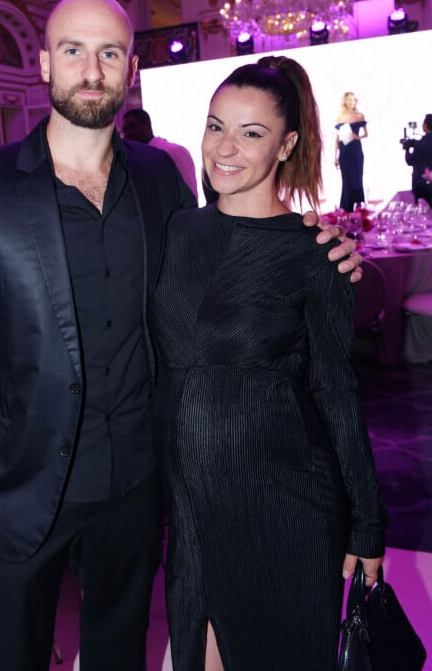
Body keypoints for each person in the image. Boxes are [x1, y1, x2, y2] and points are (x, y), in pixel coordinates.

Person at [0, 0, 362, 671]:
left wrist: (316, 245)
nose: (92, 69)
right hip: (16, 481)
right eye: (73, 51)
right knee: (11, 655)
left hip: (134, 483)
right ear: (43, 64)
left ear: (130, 67)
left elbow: (229, 252)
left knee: (120, 653)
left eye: (108, 53)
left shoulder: (161, 179)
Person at [149, 57, 385, 671]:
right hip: (194, 506)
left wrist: (368, 525)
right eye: (215, 126)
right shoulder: (177, 232)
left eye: (251, 133)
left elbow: (338, 393)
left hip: (285, 507)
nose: (225, 149)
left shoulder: (316, 256)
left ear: (287, 144)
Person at [122, 107, 198, 198]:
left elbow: (190, 194)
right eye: (125, 129)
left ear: (147, 125)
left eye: (133, 126)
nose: (128, 133)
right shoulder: (133, 159)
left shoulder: (174, 151)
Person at [335, 92, 368, 211]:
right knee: (346, 180)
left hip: (356, 151)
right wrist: (336, 156)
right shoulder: (340, 117)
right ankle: (346, 209)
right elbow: (337, 139)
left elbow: (366, 134)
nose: (351, 102)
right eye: (349, 100)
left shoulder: (360, 116)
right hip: (344, 152)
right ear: (345, 101)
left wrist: (357, 137)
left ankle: (359, 208)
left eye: (353, 100)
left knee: (358, 179)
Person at [404, 113, 432, 207]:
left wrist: (407, 148)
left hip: (421, 185)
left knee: (422, 215)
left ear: (425, 125)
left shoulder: (420, 143)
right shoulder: (420, 143)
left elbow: (410, 161)